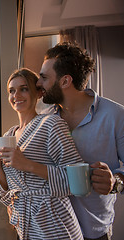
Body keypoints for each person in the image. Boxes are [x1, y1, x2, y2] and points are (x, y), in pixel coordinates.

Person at [36, 42, 124, 240]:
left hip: (94, 232)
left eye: (44, 77)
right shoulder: (43, 119)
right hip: (51, 231)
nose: (38, 83)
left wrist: (116, 182)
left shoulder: (116, 115)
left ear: (65, 81)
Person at [0, 68, 84, 239]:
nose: (16, 95)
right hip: (24, 227)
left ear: (39, 93)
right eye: (11, 91)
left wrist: (28, 165)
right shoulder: (7, 136)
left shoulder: (51, 124)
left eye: (24, 88)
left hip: (55, 224)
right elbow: (7, 192)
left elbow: (77, 181)